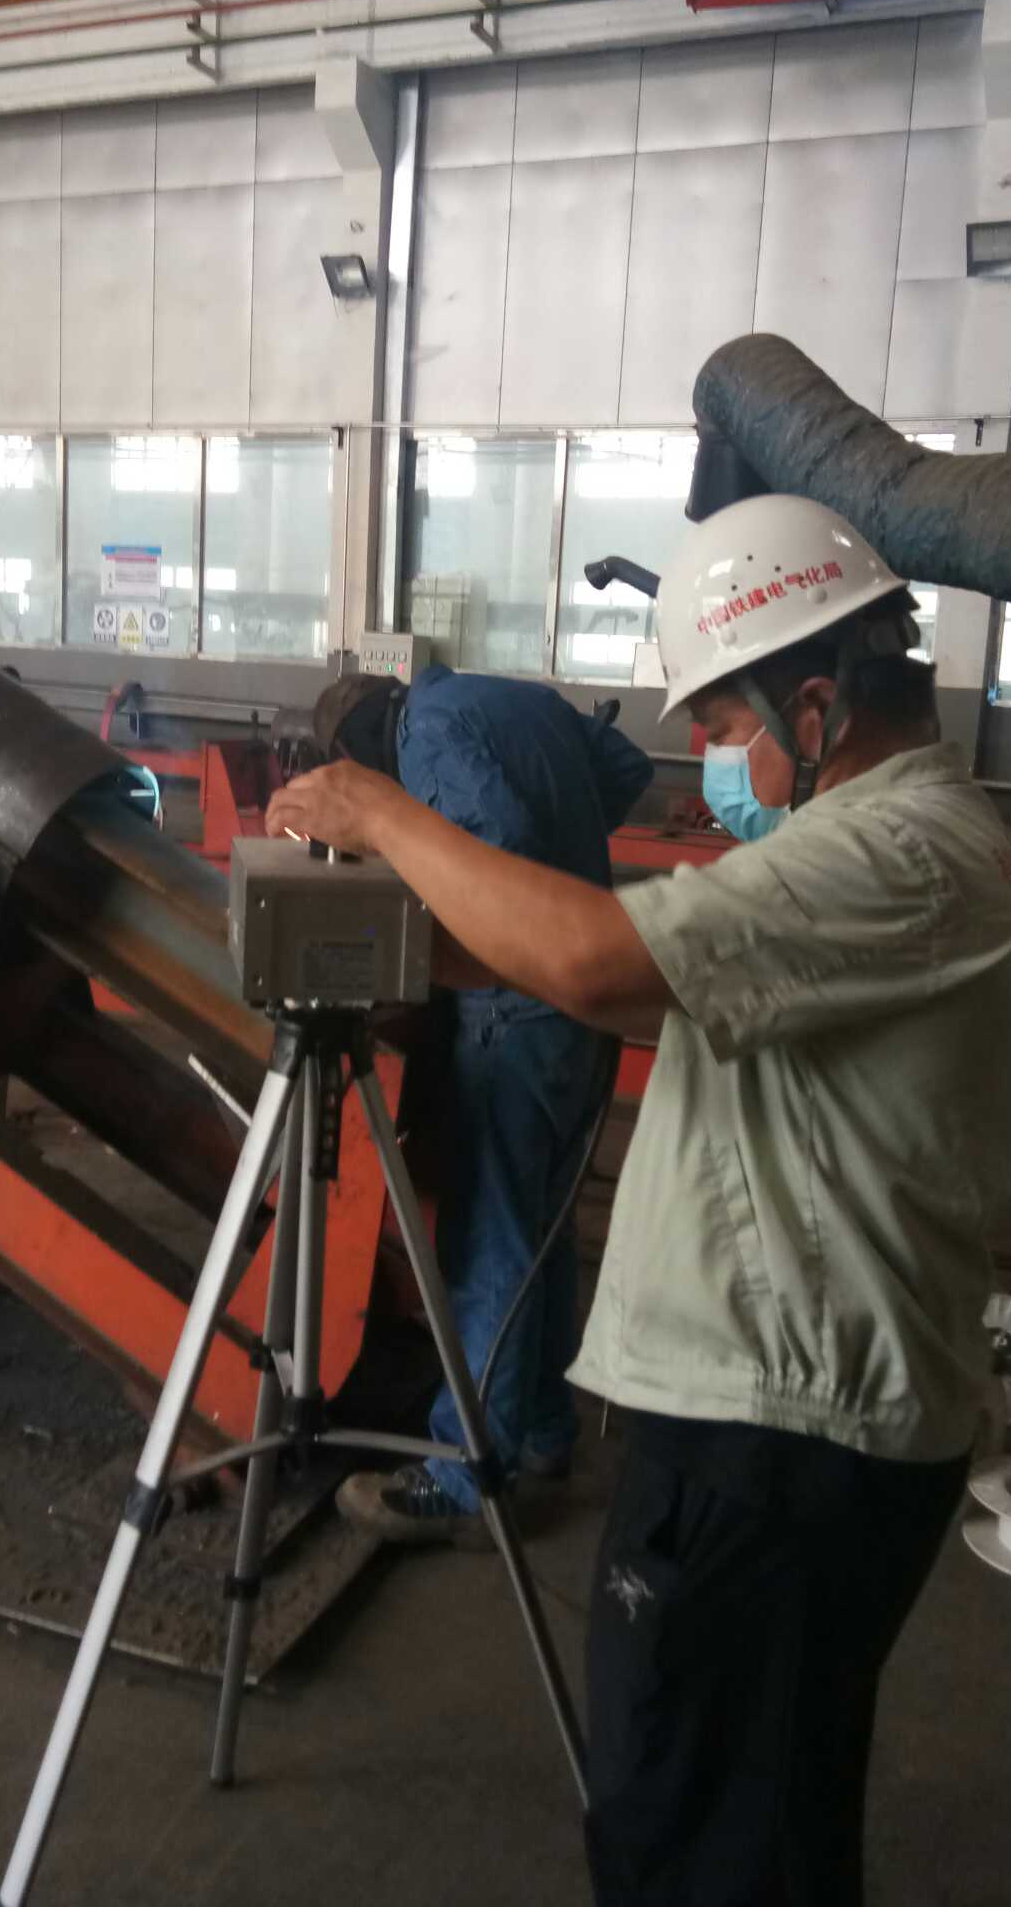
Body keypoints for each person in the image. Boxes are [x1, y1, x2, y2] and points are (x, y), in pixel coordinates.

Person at [266, 496, 1011, 1907]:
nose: (718, 758)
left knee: (694, 1833)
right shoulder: (885, 832)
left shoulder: (893, 851)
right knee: (750, 1810)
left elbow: (600, 961)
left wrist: (377, 814)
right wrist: (430, 955)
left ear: (817, 706)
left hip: (781, 1441)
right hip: (793, 1418)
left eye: (730, 723)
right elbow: (634, 974)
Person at [310, 662, 654, 1546]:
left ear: (359, 751)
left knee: (491, 1238)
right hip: (578, 1006)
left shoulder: (423, 736)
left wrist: (415, 855)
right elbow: (625, 768)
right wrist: (567, 853)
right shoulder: (509, 698)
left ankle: (468, 1472)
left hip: (513, 1012)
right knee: (541, 1231)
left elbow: (494, 843)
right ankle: (541, 1431)